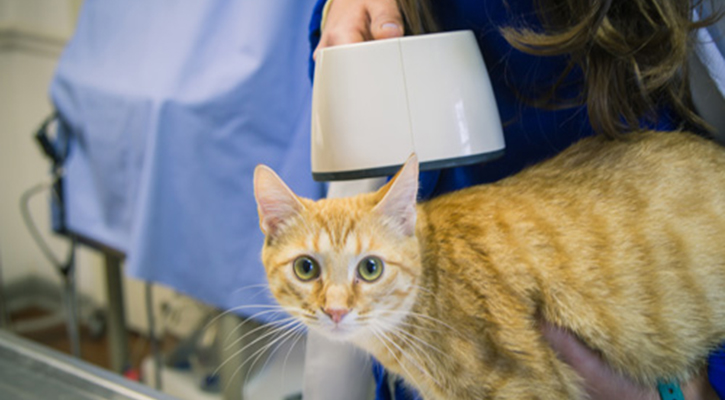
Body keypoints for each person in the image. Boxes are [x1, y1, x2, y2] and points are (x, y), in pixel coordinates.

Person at [306, 0, 725, 399]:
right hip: (432, 308)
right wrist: (340, 15)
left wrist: (692, 391)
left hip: (648, 333)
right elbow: (360, 114)